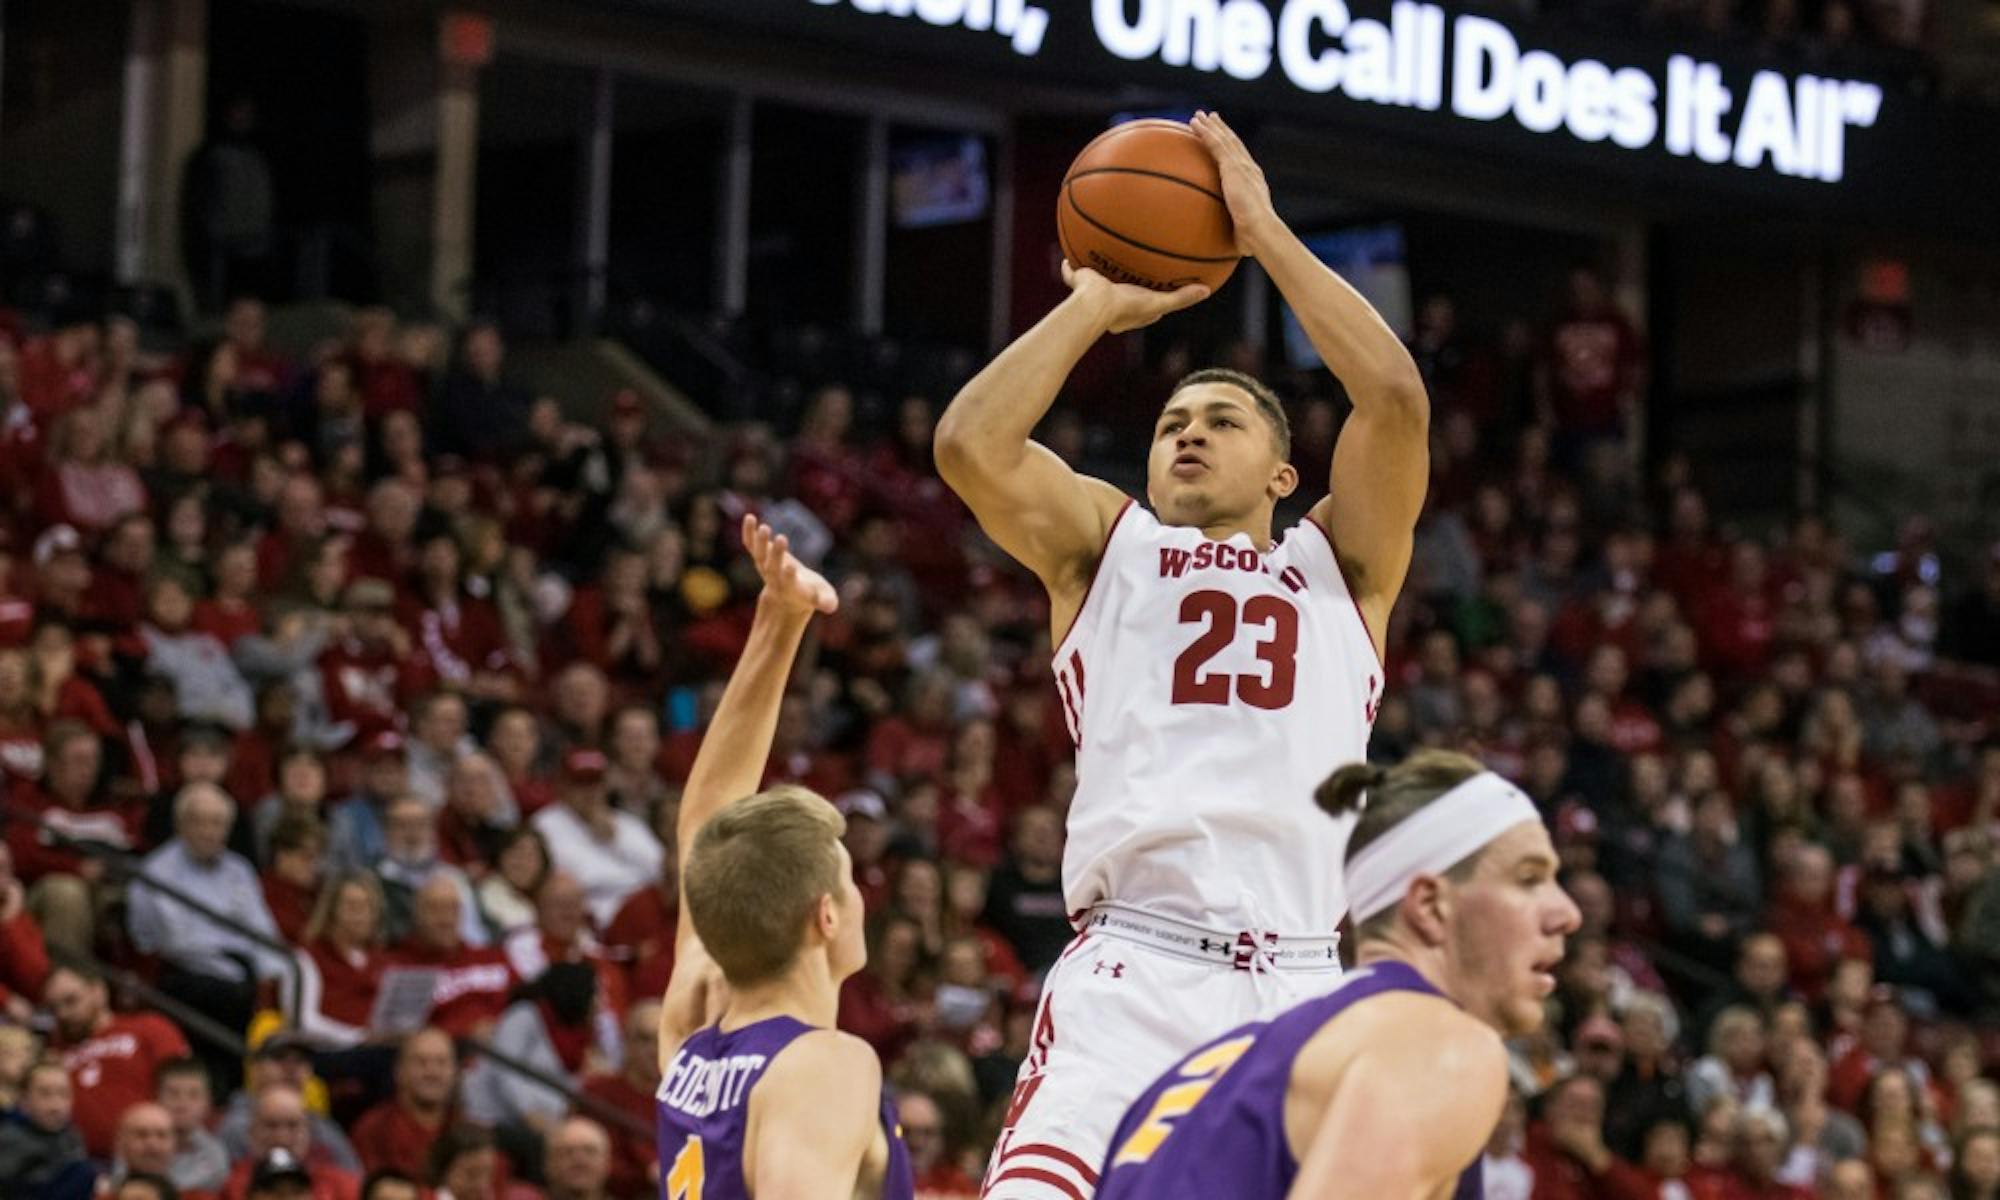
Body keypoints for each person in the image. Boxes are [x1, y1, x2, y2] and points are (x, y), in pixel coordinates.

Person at [933, 112, 1428, 1194]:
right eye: (1169, 423)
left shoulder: (1340, 565)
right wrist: (1088, 309)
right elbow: (969, 445)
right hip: (1135, 966)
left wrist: (1262, 232)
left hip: (1298, 982)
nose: (1188, 433)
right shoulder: (1104, 545)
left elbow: (1391, 401)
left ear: (1282, 476)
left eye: (1220, 421)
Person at [1094, 751, 1580, 1199]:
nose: (1566, 913)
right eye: (1528, 879)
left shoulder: (1204, 1074)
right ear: (1430, 906)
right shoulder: (1439, 1043)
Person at [654, 516, 913, 1197]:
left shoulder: (694, 1018)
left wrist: (781, 620)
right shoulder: (823, 1064)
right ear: (826, 915)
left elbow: (710, 817)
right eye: (849, 879)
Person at [43, 963, 192, 1160]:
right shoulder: (52, 1052)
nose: (63, 1014)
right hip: (78, 1162)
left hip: (155, 1155)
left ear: (98, 992)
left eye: (71, 1001)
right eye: (54, 1008)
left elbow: (185, 1089)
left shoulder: (149, 1028)